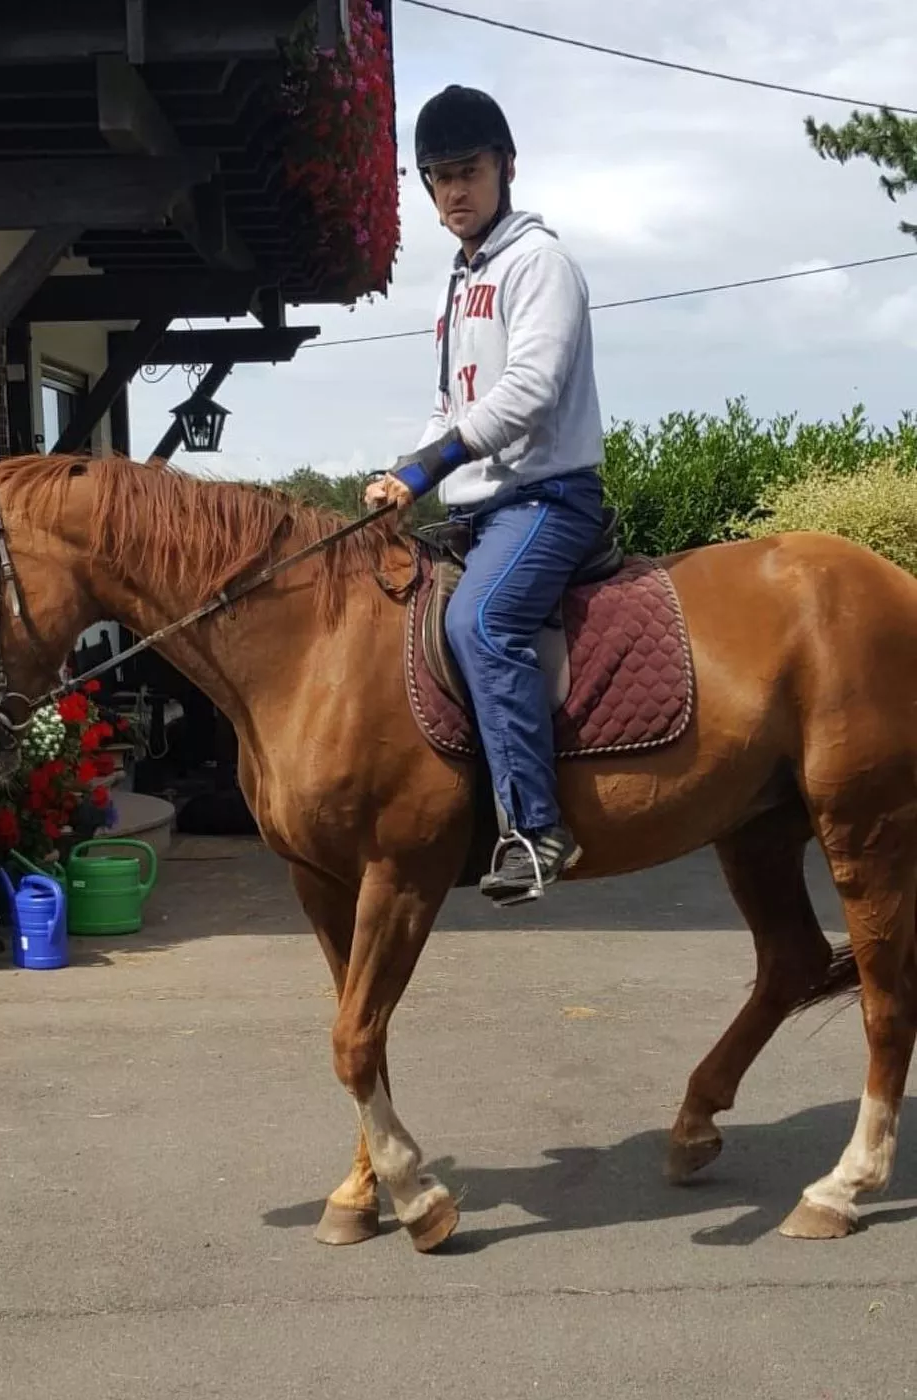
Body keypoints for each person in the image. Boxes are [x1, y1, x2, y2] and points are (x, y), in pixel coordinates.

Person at [365, 84, 607, 905]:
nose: (454, 192)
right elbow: (453, 410)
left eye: (467, 172)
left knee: (481, 620)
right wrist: (405, 472)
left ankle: (536, 830)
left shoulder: (540, 264)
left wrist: (430, 466)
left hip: (546, 497)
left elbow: (530, 392)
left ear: (506, 166)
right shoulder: (460, 282)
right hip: (479, 506)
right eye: (437, 178)